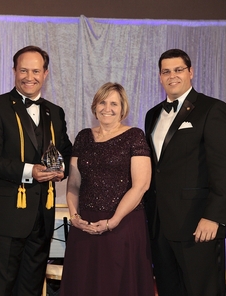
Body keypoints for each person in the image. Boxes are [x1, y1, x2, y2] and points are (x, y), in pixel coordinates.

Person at [0, 45, 73, 296]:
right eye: (23, 70)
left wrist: (62, 168)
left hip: (41, 219)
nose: (29, 76)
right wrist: (30, 171)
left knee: (30, 290)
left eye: (36, 70)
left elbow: (66, 151)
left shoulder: (56, 112)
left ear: (46, 73)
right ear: (13, 71)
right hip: (4, 219)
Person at [144, 48, 226, 296]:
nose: (172, 76)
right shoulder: (152, 114)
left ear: (191, 72)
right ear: (159, 76)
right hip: (160, 225)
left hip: (198, 225)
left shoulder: (212, 109)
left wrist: (215, 217)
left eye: (178, 70)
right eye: (166, 71)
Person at [60, 82, 155, 296]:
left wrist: (113, 222)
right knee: (83, 285)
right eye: (102, 102)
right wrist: (74, 216)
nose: (107, 108)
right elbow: (74, 183)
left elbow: (141, 186)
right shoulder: (83, 137)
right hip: (85, 226)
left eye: (114, 103)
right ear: (95, 106)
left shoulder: (135, 136)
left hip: (123, 224)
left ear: (123, 109)